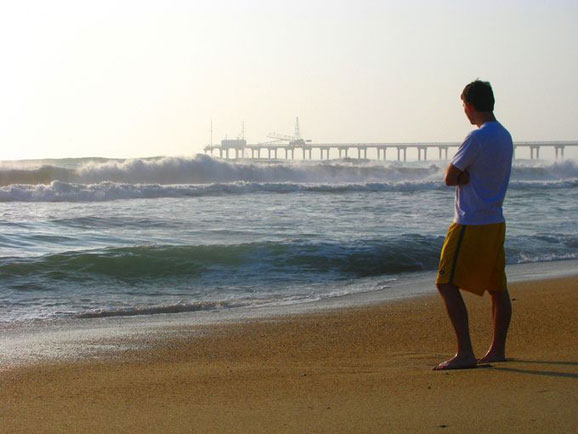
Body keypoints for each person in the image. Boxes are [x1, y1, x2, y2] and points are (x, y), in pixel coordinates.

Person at [434, 80, 514, 370]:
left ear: (469, 105)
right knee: (497, 288)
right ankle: (497, 349)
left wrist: (462, 176)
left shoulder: (477, 137)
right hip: (495, 220)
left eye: (463, 106)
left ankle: (465, 352)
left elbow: (450, 176)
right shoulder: (505, 136)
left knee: (445, 282)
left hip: (471, 221)